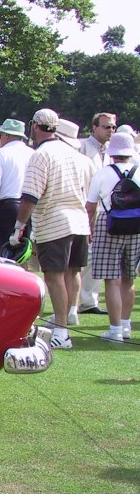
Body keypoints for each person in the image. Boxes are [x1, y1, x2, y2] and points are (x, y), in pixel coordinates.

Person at [13, 108, 94, 349]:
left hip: (55, 221)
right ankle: (66, 321)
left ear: (35, 126)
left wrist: (19, 226)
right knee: (72, 272)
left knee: (54, 276)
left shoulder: (42, 154)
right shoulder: (73, 154)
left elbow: (30, 195)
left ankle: (61, 331)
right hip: (78, 220)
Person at [85, 132, 139, 342]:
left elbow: (91, 206)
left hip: (109, 225)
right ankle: (125, 325)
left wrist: (89, 228)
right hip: (136, 226)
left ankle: (115, 329)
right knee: (129, 278)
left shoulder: (103, 173)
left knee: (112, 280)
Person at [77, 112, 118, 313]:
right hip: (86, 205)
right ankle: (78, 300)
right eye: (106, 126)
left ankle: (89, 300)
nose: (110, 130)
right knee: (84, 256)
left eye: (112, 127)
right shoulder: (83, 148)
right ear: (95, 127)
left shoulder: (113, 150)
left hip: (107, 209)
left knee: (97, 257)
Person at [0, 118, 33, 251]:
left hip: (8, 207)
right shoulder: (32, 154)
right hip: (29, 207)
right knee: (22, 254)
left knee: (3, 252)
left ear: (7, 135)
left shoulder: (1, 154)